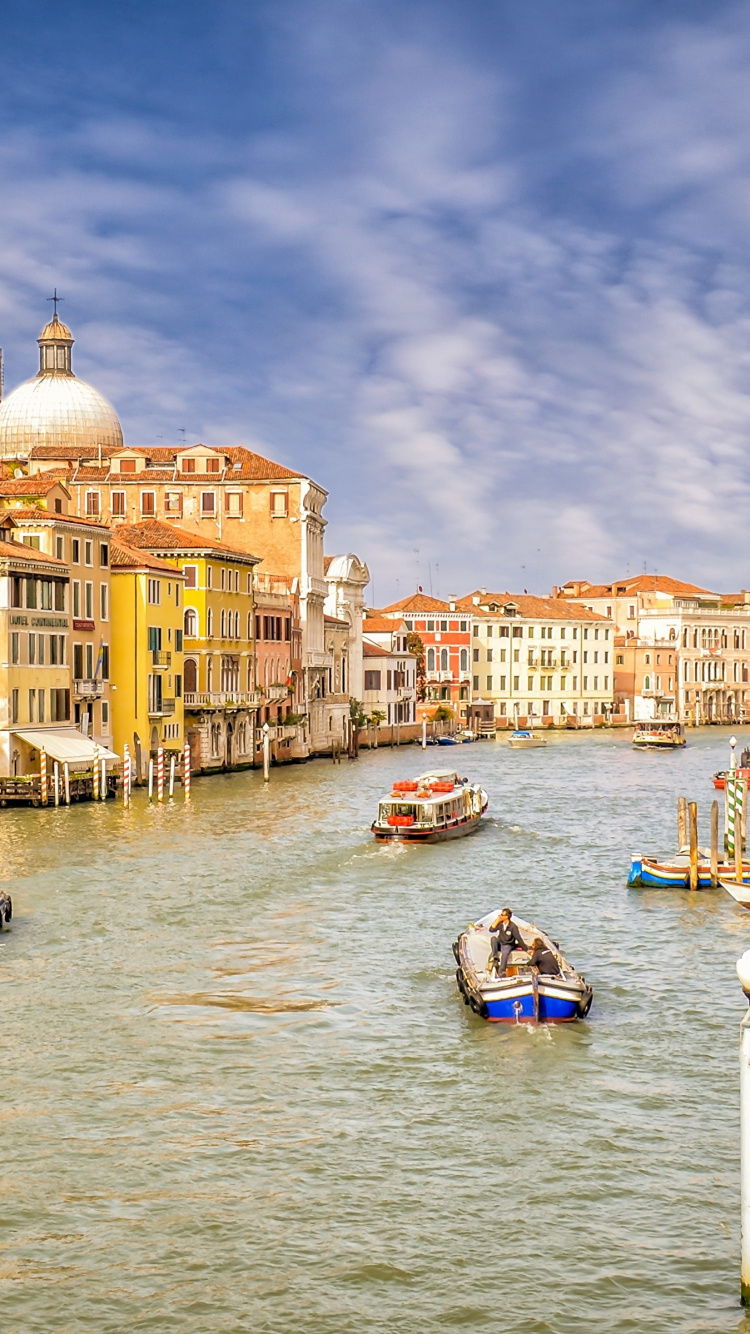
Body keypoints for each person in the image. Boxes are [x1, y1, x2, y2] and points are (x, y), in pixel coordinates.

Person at [488, 908, 525, 976]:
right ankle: (495, 958)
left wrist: (526, 949)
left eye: (502, 915)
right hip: (500, 942)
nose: (500, 916)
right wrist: (497, 920)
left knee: (505, 953)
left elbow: (519, 938)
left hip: (508, 944)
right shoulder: (501, 924)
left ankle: (502, 972)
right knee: (493, 939)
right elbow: (491, 930)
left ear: (506, 917)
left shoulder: (513, 926)